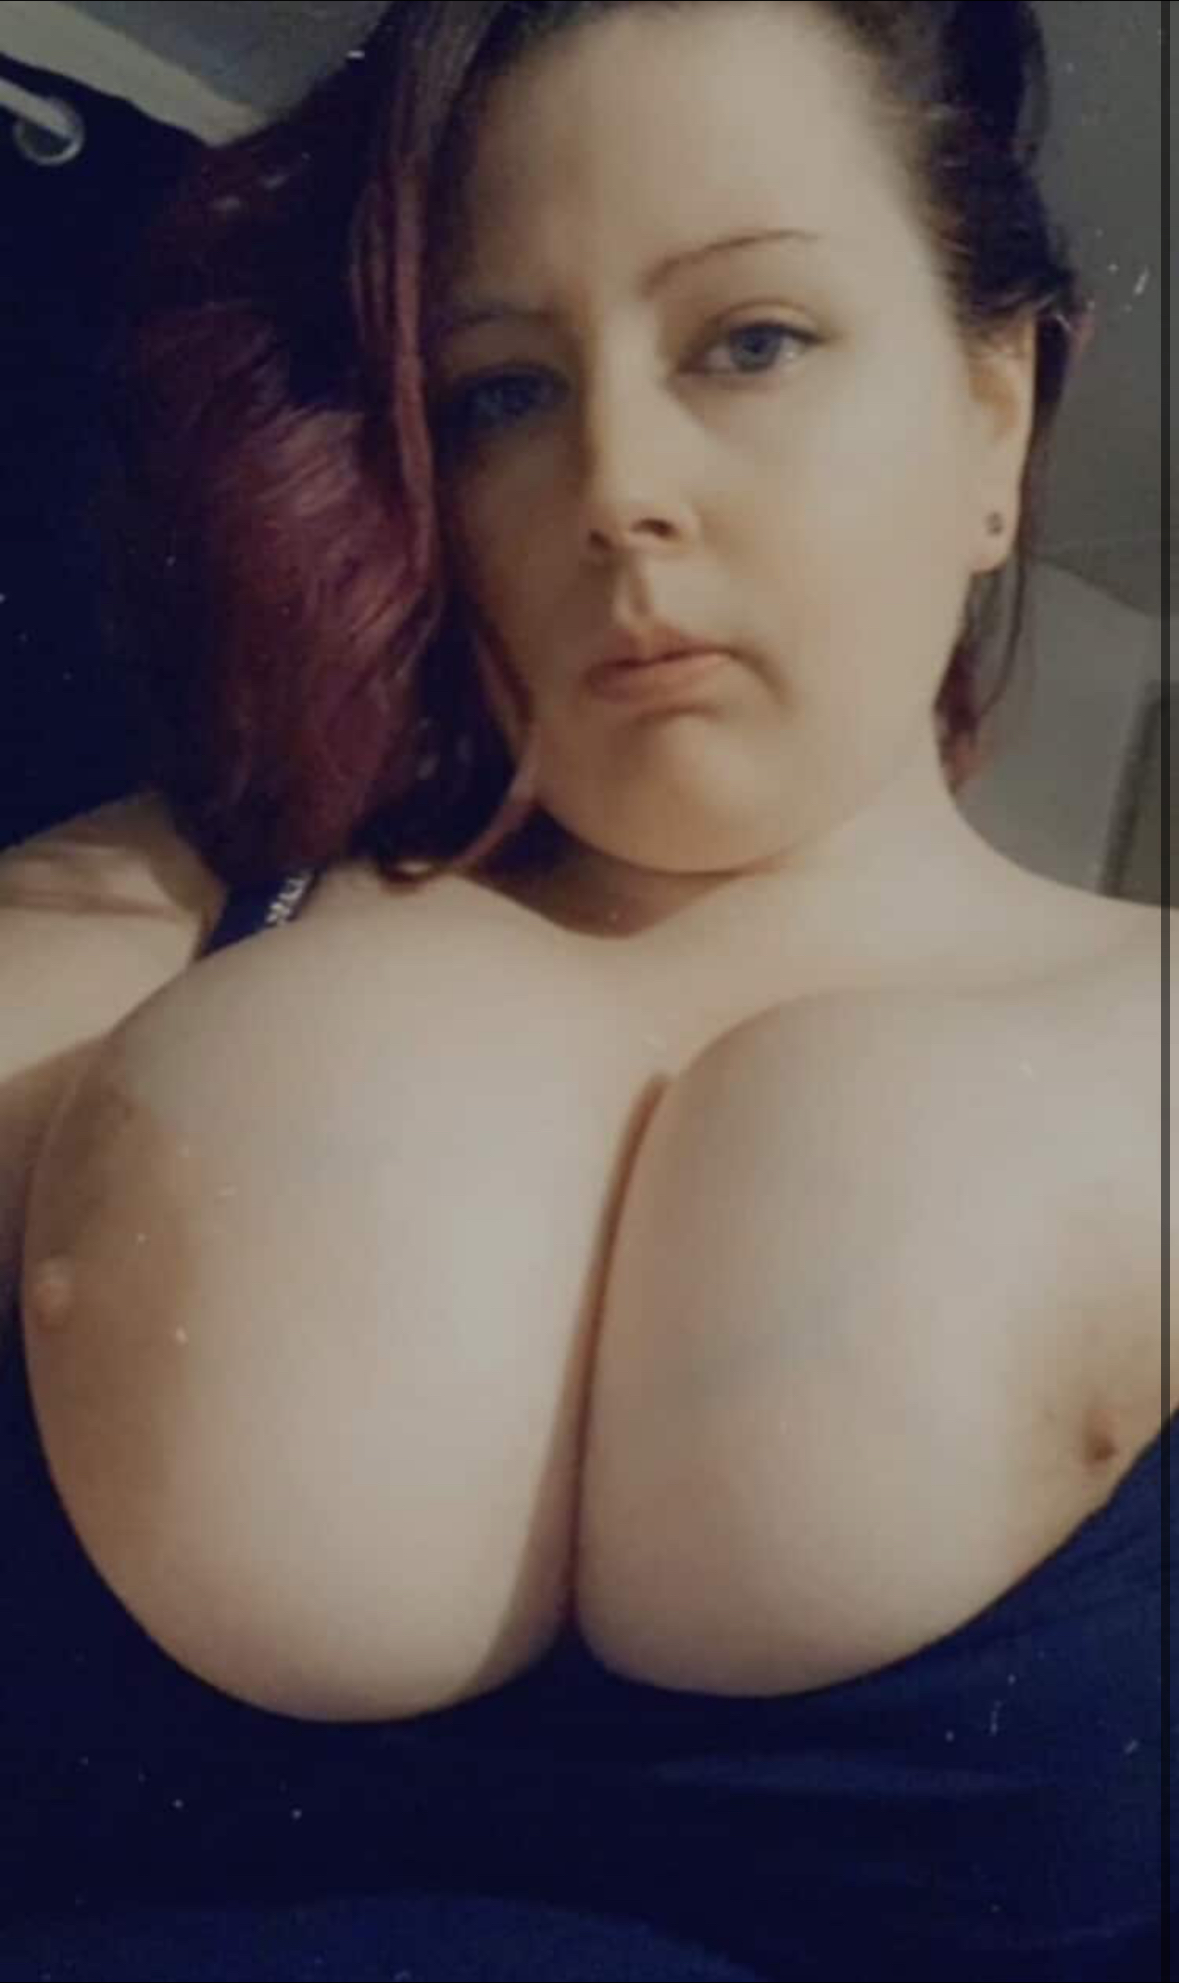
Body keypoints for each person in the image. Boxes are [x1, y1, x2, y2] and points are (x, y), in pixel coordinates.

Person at [1, 4, 1167, 1978]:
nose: (616, 482)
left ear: (994, 419)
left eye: (750, 341)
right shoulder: (157, 922)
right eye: (504, 393)